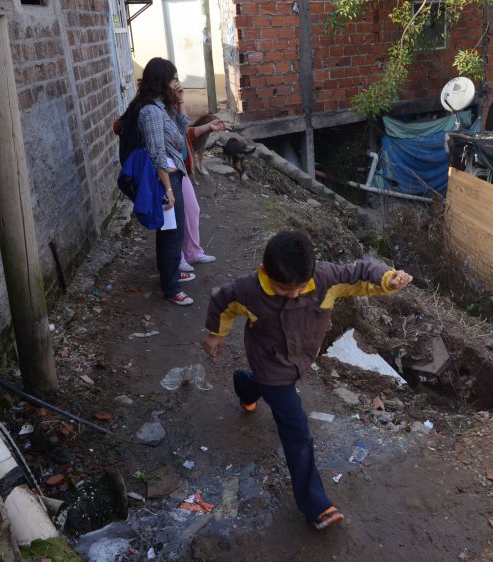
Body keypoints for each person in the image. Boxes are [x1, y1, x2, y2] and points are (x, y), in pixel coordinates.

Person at [203, 229, 413, 530]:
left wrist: (387, 278)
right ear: (265, 272)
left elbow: (360, 273)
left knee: (261, 389)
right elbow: (221, 302)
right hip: (269, 363)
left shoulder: (326, 279)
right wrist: (215, 334)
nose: (294, 295)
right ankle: (315, 505)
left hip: (301, 359)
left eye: (300, 288)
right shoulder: (248, 290)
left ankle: (245, 387)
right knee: (297, 432)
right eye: (283, 289)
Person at [128, 57, 195, 306]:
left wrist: (180, 103)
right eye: (173, 79)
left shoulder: (160, 108)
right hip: (165, 177)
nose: (177, 83)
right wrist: (168, 189)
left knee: (171, 231)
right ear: (162, 82)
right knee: (171, 234)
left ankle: (171, 274)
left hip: (173, 173)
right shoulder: (150, 112)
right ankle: (171, 287)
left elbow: (180, 134)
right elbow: (157, 153)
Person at [177, 118, 229, 273]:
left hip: (180, 167)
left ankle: (192, 252)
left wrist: (208, 126)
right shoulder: (153, 110)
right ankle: (175, 261)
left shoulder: (172, 105)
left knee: (192, 209)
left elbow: (184, 129)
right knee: (172, 219)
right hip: (166, 170)